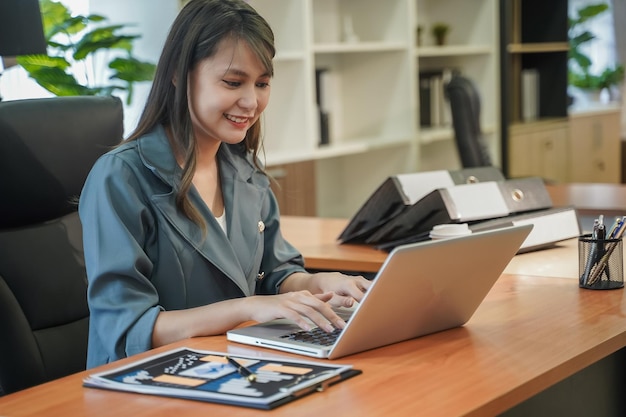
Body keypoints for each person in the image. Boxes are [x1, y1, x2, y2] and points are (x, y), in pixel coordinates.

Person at [78, 0, 371, 368]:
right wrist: (247, 307)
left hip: (231, 366)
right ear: (179, 74)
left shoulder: (243, 169)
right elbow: (128, 328)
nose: (251, 101)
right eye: (233, 82)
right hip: (148, 383)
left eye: (262, 83)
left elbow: (274, 273)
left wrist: (319, 284)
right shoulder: (121, 177)